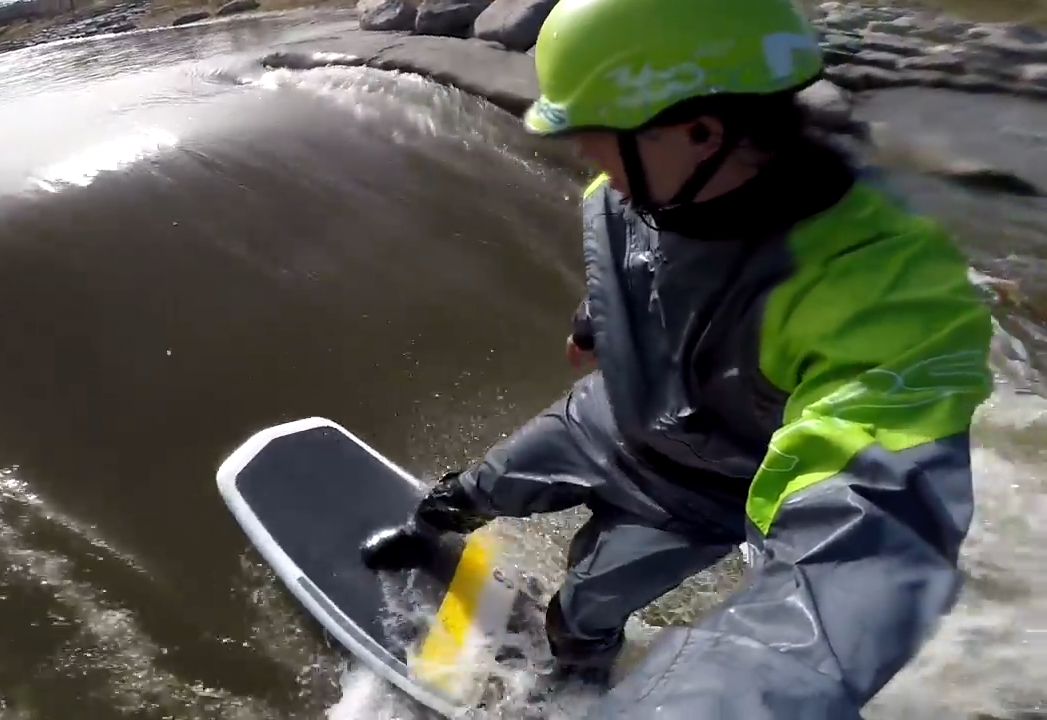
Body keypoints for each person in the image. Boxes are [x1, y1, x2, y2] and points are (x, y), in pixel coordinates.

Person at [360, 0, 997, 716]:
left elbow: (858, 562)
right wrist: (594, 326)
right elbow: (634, 266)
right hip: (609, 415)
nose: (583, 154)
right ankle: (428, 531)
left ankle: (580, 679)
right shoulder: (640, 185)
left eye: (595, 135)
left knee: (582, 609)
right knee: (483, 485)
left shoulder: (881, 291)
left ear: (702, 131)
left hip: (695, 496)